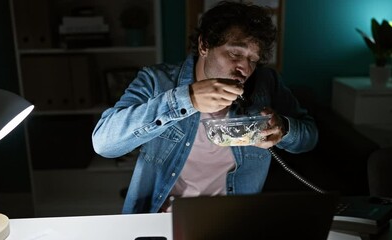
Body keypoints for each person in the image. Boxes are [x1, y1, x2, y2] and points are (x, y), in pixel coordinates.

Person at [92, 1, 318, 214]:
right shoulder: (156, 81)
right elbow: (104, 143)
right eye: (235, 53)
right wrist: (186, 99)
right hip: (165, 219)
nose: (245, 69)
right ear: (204, 45)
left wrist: (284, 129)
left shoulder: (266, 83)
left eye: (253, 59)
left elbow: (309, 138)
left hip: (236, 220)